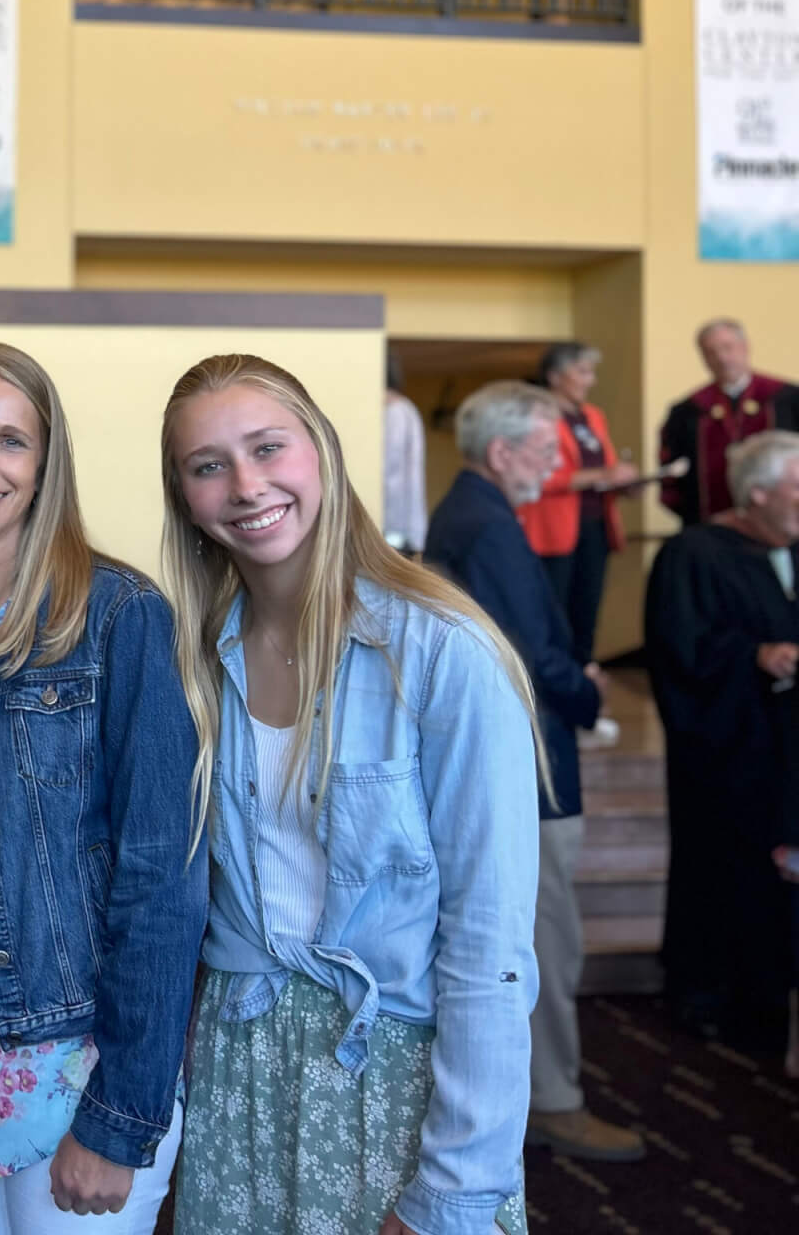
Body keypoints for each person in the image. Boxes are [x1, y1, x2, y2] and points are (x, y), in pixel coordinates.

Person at [161, 353, 539, 1235]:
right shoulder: (190, 662)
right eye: (208, 466)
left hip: (398, 1075)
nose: (246, 486)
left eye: (268, 448)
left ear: (322, 454)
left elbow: (490, 944)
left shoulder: (444, 650)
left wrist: (455, 1189)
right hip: (239, 1067)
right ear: (184, 496)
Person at [0, 344, 208, 1234]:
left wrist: (121, 1116)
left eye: (10, 441)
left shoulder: (118, 616)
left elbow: (163, 878)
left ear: (45, 466)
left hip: (73, 1067)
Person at [423, 381, 644, 1163]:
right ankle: (554, 1100)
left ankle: (547, 1095)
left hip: (526, 762)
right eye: (548, 450)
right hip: (533, 768)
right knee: (546, 940)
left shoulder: (475, 514)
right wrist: (587, 692)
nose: (556, 466)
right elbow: (527, 653)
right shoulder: (483, 523)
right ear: (503, 450)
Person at [645, 429, 799, 1055]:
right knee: (721, 872)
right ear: (757, 493)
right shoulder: (695, 554)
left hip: (788, 757)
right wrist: (755, 656)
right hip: (728, 750)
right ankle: (707, 995)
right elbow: (680, 648)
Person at [520, 343, 639, 668]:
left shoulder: (593, 417)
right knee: (554, 616)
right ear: (556, 376)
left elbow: (605, 468)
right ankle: (553, 697)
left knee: (586, 615)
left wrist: (624, 483)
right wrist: (602, 474)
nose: (591, 381)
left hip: (596, 527)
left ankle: (584, 693)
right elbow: (537, 475)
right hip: (553, 532)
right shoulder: (535, 415)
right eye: (583, 372)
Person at [658, 318, 799, 525]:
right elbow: (672, 477)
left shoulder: (788, 399)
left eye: (728, 347)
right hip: (711, 528)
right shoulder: (686, 412)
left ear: (745, 347)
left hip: (783, 526)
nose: (722, 358)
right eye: (711, 352)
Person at [383, 352, 427, 557]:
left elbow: (390, 467)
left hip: (393, 525)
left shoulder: (395, 411)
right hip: (401, 526)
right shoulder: (405, 409)